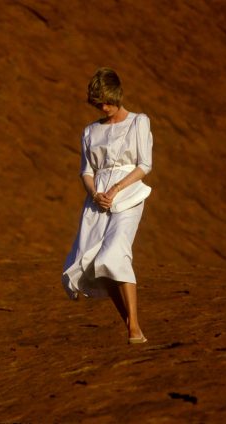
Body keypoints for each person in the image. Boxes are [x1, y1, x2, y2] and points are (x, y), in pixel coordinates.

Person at [62, 67, 153, 344]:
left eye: (107, 101)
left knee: (115, 253)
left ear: (117, 95)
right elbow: (86, 171)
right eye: (98, 103)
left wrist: (115, 188)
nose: (104, 107)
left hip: (128, 196)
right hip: (96, 202)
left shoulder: (139, 122)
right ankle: (129, 320)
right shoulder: (91, 131)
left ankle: (134, 326)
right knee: (96, 262)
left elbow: (144, 165)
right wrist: (94, 192)